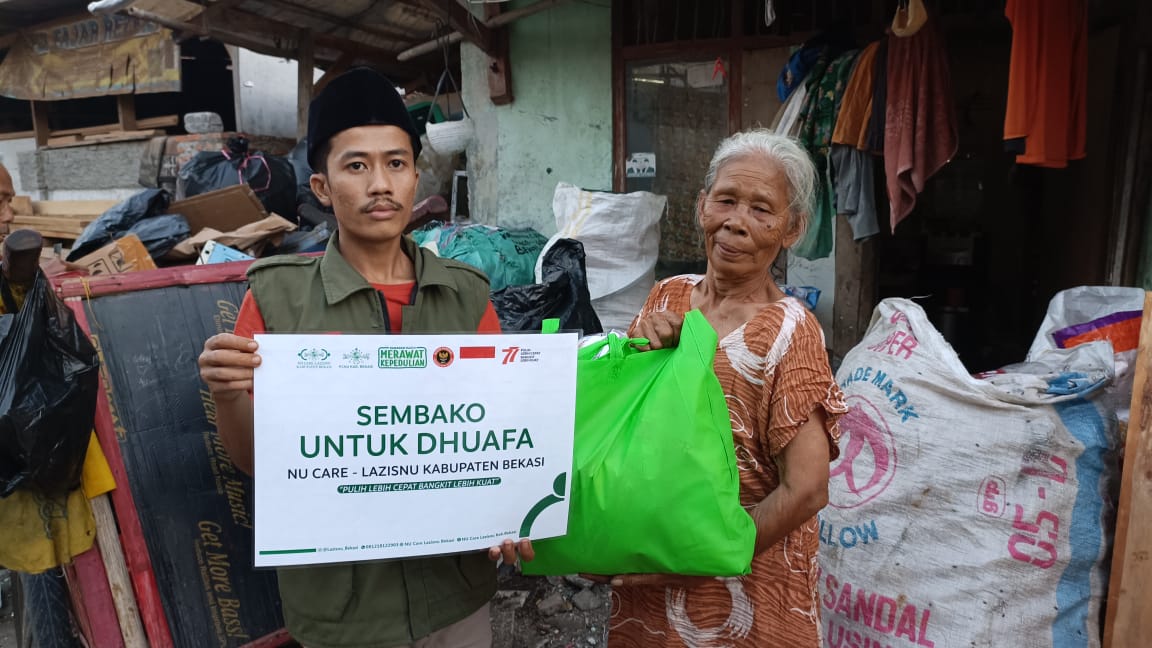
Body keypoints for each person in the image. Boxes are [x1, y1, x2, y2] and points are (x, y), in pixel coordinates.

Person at [197, 67, 530, 648]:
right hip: (343, 610)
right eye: (357, 166)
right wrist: (228, 394)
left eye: (396, 163)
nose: (381, 184)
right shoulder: (277, 300)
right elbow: (258, 463)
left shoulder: (466, 293)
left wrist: (511, 511)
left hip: (456, 595)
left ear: (415, 176)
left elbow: (495, 438)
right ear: (322, 187)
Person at [607, 129, 847, 647]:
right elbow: (621, 430)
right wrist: (637, 355)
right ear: (701, 206)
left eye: (762, 209)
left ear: (792, 228)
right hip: (651, 564)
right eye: (726, 200)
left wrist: (701, 559)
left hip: (742, 581)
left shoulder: (789, 331)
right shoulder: (665, 298)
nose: (736, 222)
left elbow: (807, 488)